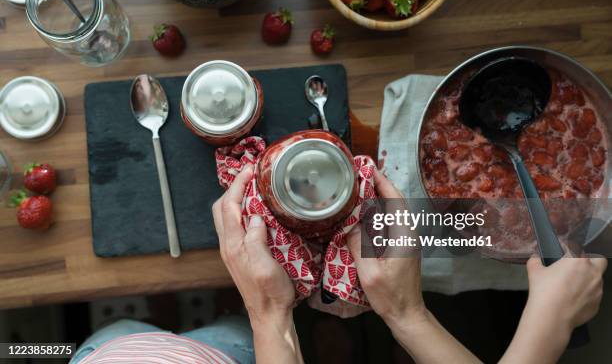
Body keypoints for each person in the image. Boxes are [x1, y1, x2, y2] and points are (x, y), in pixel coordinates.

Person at [72, 165, 606, 363]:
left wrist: (270, 316)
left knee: (118, 337)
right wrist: (548, 328)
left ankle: (204, 328)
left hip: (123, 355)